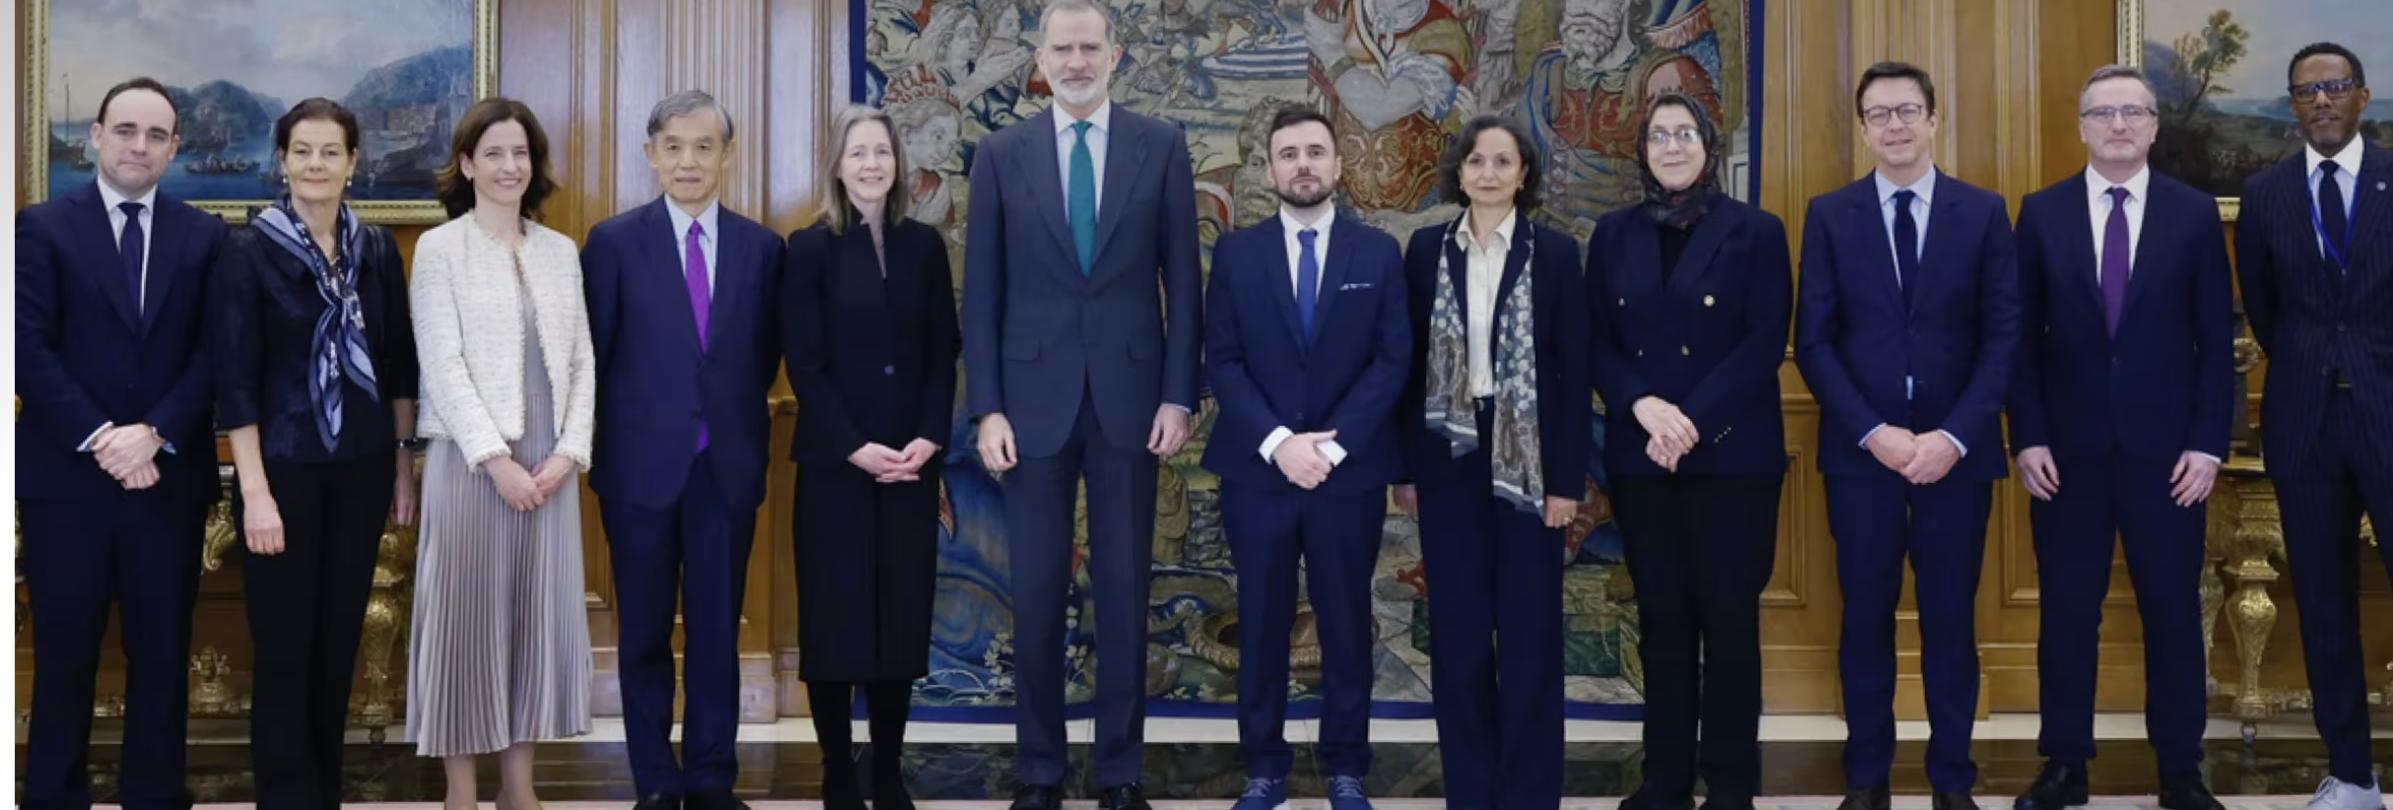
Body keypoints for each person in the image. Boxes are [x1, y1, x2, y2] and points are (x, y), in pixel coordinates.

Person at [959, 0, 1202, 807]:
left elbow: (1184, 285)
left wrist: (1178, 393)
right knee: (1033, 594)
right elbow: (982, 295)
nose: (1074, 61)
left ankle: (1120, 772)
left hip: (1133, 403)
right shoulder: (1000, 154)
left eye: (1087, 47)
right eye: (1060, 48)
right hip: (1028, 409)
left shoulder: (1161, 146)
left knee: (1125, 591)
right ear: (1040, 56)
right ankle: (1039, 771)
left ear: (1115, 54)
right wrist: (986, 408)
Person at [1791, 62, 2017, 810]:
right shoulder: (1829, 214)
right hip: (1863, 459)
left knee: (1952, 618)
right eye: (1878, 114)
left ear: (1932, 120)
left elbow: (2002, 337)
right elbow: (1815, 343)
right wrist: (1874, 433)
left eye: (1907, 111)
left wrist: (1950, 437)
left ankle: (1952, 779)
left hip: (1957, 456)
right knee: (1864, 620)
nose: (1894, 125)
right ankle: (1866, 780)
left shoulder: (1982, 213)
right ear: (1861, 128)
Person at [2006, 65, 2232, 810]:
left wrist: (2205, 445)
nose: (2118, 126)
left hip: (2167, 457)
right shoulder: (2039, 214)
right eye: (2102, 113)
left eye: (2132, 112)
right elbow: (2021, 342)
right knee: (2068, 612)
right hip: (2063, 456)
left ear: (2153, 126)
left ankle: (2178, 768)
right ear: (2080, 127)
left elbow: (2212, 340)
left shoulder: (2192, 214)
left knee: (2171, 609)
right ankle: (2064, 765)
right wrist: (2026, 436)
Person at [16, 75, 229, 810]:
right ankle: (51, 796)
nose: (140, 145)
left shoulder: (203, 236)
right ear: (96, 137)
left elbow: (214, 354)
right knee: (65, 658)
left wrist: (155, 434)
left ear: (174, 147)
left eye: (157, 134)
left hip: (166, 484)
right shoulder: (40, 227)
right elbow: (27, 349)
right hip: (66, 485)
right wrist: (106, 437)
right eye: (126, 130)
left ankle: (155, 797)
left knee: (161, 657)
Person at [213, 97, 422, 810]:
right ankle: (285, 797)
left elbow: (398, 368)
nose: (315, 164)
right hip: (284, 473)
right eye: (302, 150)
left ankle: (323, 794)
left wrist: (400, 467)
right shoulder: (247, 249)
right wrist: (256, 493)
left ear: (353, 163)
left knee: (336, 644)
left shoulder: (373, 250)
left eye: (330, 151)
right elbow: (234, 381)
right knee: (283, 647)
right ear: (282, 160)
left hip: (361, 471)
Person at [581, 89, 787, 810]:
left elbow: (759, 360)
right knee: (640, 634)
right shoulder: (611, 243)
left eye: (704, 146)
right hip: (637, 471)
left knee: (713, 635)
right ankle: (656, 783)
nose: (688, 160)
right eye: (674, 146)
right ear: (650, 155)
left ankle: (708, 778)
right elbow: (596, 359)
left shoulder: (764, 249)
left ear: (727, 155)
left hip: (723, 469)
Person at [1201, 106, 1410, 810]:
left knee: (1344, 619)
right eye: (1287, 153)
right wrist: (1278, 445)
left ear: (1338, 165)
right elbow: (1222, 360)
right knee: (1260, 619)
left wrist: (1333, 444)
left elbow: (1391, 359)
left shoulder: (1377, 254)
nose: (1302, 164)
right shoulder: (1236, 253)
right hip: (1257, 472)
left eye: (1314, 151)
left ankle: (1346, 765)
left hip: (1347, 473)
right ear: (1269, 168)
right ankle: (1263, 768)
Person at [1587, 92, 1791, 810]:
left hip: (1731, 460)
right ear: (1640, 150)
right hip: (1644, 460)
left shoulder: (1756, 231)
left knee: (1728, 624)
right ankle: (1665, 781)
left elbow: (1764, 340)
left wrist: (1689, 421)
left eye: (1684, 133)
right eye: (1657, 136)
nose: (1671, 146)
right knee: (1662, 622)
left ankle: (1731, 787)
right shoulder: (1611, 235)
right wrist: (1643, 407)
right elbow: (1596, 343)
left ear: (1708, 144)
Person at [404, 97, 596, 810]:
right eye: (494, 154)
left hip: (549, 468)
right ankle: (461, 793)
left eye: (520, 153)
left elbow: (581, 361)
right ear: (466, 164)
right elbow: (442, 366)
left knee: (533, 625)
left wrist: (569, 451)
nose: (509, 166)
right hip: (471, 464)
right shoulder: (439, 249)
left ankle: (520, 790)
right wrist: (496, 460)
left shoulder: (559, 251)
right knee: (464, 624)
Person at [1397, 114, 1589, 810]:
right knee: (1458, 635)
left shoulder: (1556, 255)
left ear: (1523, 174)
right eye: (1475, 160)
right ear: (1459, 172)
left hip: (1530, 462)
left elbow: (1572, 374)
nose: (1486, 172)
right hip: (1447, 453)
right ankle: (1471, 792)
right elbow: (1407, 367)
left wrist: (1566, 483)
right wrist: (1407, 470)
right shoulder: (1423, 252)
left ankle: (1531, 793)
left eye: (1501, 161)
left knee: (1531, 633)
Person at [783, 104, 958, 810]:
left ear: (898, 164)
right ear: (837, 165)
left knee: (898, 622)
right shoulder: (809, 247)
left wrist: (928, 436)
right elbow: (805, 361)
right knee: (835, 621)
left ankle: (886, 770)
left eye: (881, 153)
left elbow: (944, 352)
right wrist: (854, 446)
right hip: (836, 466)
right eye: (857, 154)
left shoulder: (924, 247)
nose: (870, 165)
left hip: (911, 466)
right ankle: (835, 768)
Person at [2233, 41, 2393, 810]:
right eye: (2305, 92)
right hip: (2303, 424)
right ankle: (2354, 775)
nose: (2320, 101)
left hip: (2390, 414)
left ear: (2361, 96)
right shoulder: (2264, 195)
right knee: (2324, 606)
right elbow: (2266, 310)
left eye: (2334, 87)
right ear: (2290, 106)